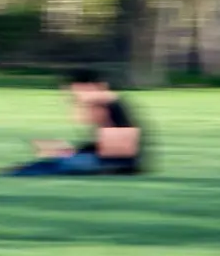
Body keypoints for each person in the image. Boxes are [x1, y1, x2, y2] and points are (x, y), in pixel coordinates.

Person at [9, 68, 147, 176]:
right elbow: (104, 145)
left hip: (115, 165)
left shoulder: (108, 104)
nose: (75, 98)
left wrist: (70, 153)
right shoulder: (109, 104)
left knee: (47, 167)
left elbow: (116, 151)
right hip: (113, 162)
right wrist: (71, 152)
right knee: (45, 165)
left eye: (75, 93)